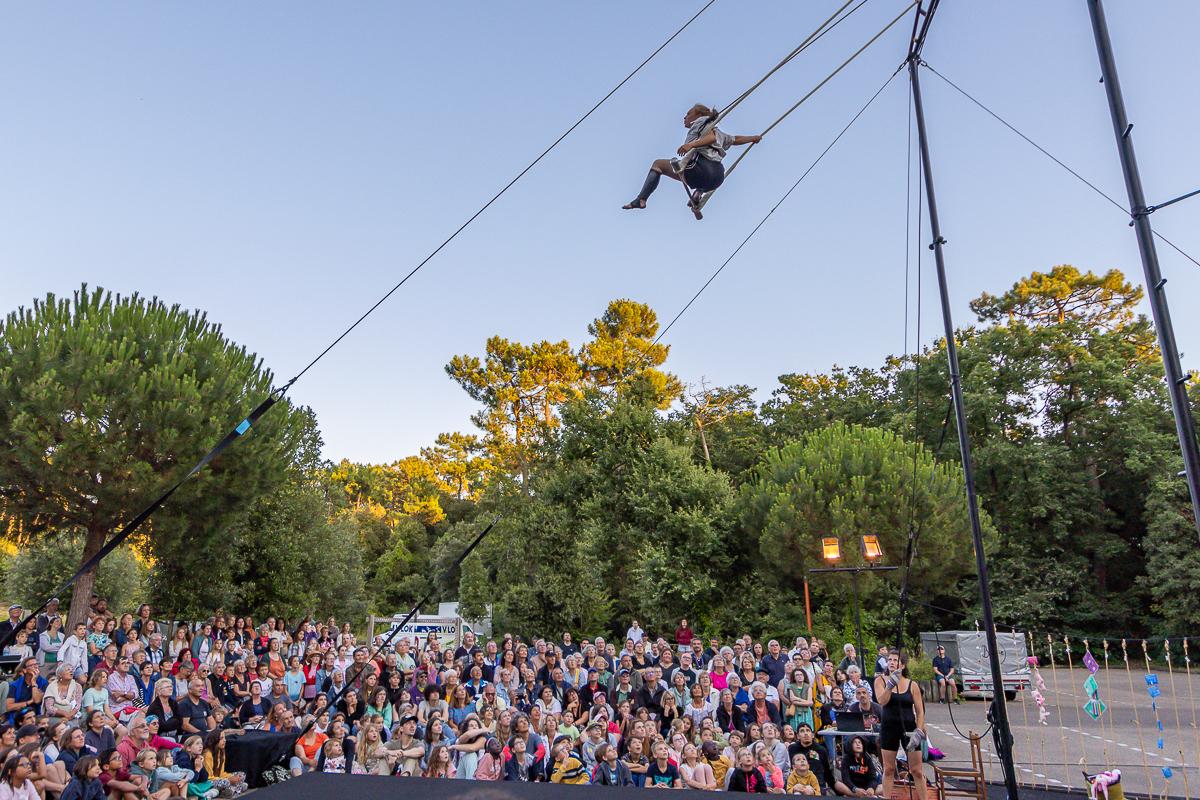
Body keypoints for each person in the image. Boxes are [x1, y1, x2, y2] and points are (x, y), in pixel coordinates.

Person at [622, 103, 762, 212]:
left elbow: (711, 137)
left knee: (658, 164)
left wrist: (691, 145)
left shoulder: (700, 122)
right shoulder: (717, 131)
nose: (685, 117)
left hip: (700, 170)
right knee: (684, 170)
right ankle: (698, 193)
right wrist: (752, 138)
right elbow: (735, 139)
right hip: (717, 177)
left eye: (688, 113)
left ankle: (641, 199)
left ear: (698, 114)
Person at [874, 650, 927, 800]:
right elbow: (881, 701)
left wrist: (919, 729)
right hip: (889, 727)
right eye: (889, 659)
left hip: (909, 729)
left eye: (895, 660)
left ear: (902, 665)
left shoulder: (912, 685)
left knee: (916, 770)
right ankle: (887, 797)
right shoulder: (881, 681)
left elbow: (920, 710)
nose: (891, 662)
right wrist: (890, 686)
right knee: (889, 768)